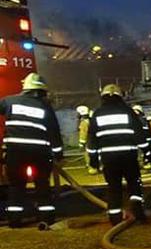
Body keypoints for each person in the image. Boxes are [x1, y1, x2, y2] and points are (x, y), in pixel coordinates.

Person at [0, 73, 63, 227]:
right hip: (40, 153)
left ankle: (14, 221)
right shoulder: (44, 106)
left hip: (15, 152)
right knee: (42, 185)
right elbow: (54, 131)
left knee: (16, 186)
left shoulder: (9, 101)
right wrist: (58, 154)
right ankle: (46, 218)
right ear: (41, 91)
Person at [86, 84, 149, 225]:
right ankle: (138, 214)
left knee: (114, 187)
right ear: (120, 97)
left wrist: (93, 160)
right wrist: (147, 154)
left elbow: (92, 139)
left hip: (109, 158)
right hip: (129, 156)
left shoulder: (97, 113)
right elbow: (139, 134)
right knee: (134, 184)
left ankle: (115, 218)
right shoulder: (128, 112)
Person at [132, 104, 151, 173]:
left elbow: (141, 130)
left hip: (143, 140)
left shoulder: (139, 120)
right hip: (148, 139)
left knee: (146, 154)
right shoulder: (146, 119)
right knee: (147, 154)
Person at [76, 104, 97, 174]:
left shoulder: (84, 122)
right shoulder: (92, 120)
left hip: (89, 141)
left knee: (89, 154)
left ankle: (92, 168)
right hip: (95, 140)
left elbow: (83, 133)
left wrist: (81, 143)